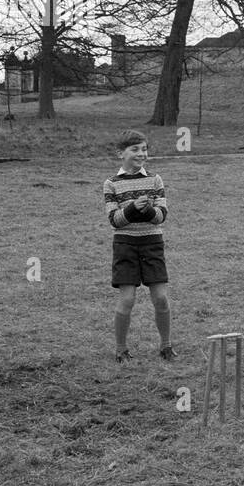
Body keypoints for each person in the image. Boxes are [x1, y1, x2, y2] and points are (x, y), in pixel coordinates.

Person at [103, 130, 172, 362]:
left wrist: (149, 210)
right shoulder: (111, 184)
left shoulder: (155, 180)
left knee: (161, 298)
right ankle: (121, 349)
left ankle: (166, 345)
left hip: (152, 243)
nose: (141, 154)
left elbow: (161, 216)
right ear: (120, 153)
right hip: (125, 244)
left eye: (144, 149)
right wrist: (133, 208)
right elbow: (114, 220)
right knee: (127, 300)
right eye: (135, 150)